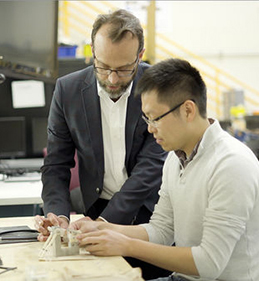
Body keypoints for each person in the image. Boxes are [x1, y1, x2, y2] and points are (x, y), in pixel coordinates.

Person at [71, 58, 259, 281]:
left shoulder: (231, 165)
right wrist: (104, 230)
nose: (150, 128)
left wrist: (126, 245)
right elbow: (162, 230)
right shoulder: (175, 159)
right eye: (147, 118)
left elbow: (210, 263)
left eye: (155, 118)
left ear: (187, 110)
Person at [36, 8, 170, 279]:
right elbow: (56, 164)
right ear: (93, 52)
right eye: (104, 67)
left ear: (139, 56)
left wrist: (107, 224)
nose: (112, 79)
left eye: (123, 69)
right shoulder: (68, 90)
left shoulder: (159, 88)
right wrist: (58, 217)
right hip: (95, 211)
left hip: (151, 217)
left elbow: (150, 168)